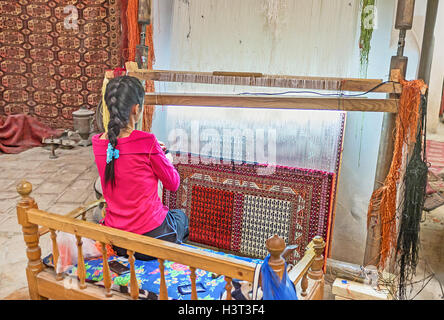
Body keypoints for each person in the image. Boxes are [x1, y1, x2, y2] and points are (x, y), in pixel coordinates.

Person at [92, 75, 188, 261]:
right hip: (150, 240)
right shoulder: (147, 142)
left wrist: (152, 150)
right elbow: (173, 183)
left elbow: (124, 158)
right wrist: (164, 157)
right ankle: (171, 263)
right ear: (136, 108)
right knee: (181, 218)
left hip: (117, 239)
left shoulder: (98, 143)